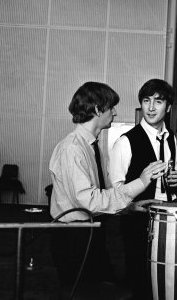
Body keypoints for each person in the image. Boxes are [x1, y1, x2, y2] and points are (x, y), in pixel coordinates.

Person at [49, 81, 167, 296]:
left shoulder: (90, 146)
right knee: (83, 293)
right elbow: (89, 201)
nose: (114, 112)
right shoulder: (72, 149)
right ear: (96, 109)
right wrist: (141, 182)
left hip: (90, 232)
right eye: (111, 107)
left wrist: (130, 207)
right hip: (74, 238)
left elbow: (98, 197)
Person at [108, 78, 177, 299]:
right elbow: (116, 191)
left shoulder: (172, 139)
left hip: (168, 220)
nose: (151, 107)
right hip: (137, 222)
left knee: (164, 281)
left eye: (158, 101)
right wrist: (132, 206)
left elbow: (176, 180)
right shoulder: (125, 142)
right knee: (139, 282)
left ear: (168, 107)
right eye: (146, 100)